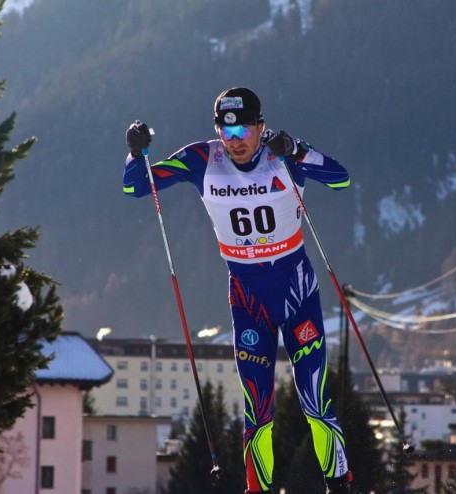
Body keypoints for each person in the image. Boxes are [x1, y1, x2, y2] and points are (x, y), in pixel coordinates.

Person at [123, 87, 353, 494]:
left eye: (244, 130)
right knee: (257, 410)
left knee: (314, 401)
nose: (235, 141)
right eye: (226, 131)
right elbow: (136, 187)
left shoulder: (280, 152)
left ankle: (339, 484)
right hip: (248, 301)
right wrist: (134, 151)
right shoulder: (201, 158)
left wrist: (298, 150)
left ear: (260, 128)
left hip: (297, 293)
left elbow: (340, 177)